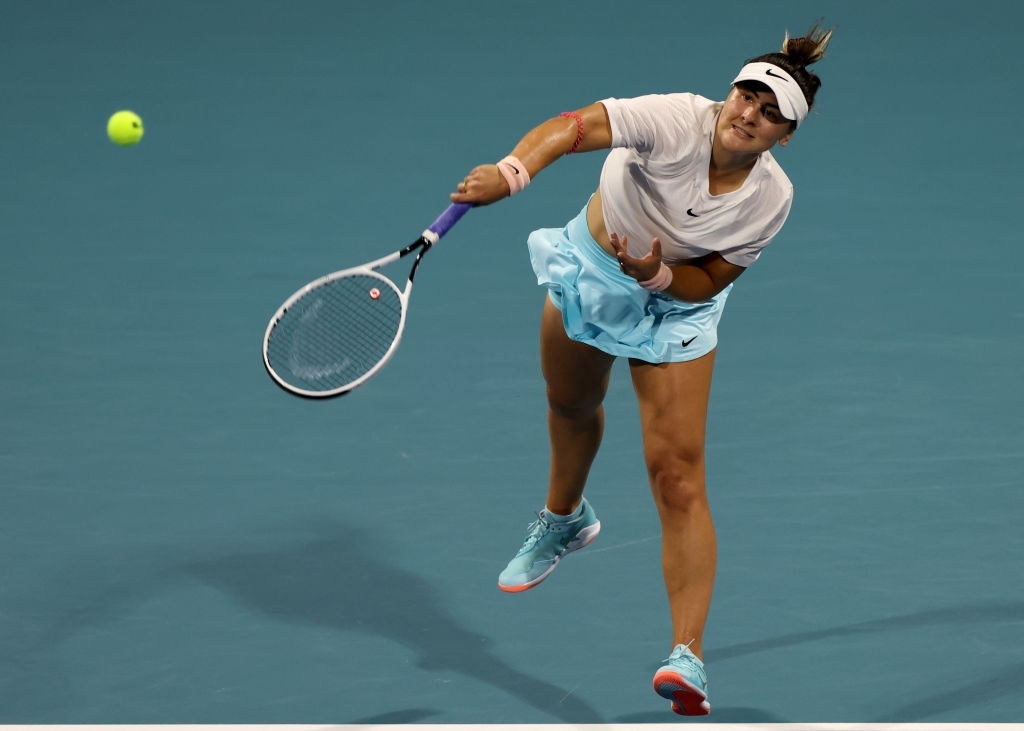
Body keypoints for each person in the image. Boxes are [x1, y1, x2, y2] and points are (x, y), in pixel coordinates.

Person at [450, 23, 833, 716]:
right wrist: (513, 173)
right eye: (748, 96)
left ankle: (686, 654)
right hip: (591, 270)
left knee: (679, 476)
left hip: (674, 309)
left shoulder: (772, 199)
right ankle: (565, 517)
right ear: (730, 92)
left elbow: (712, 277)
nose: (752, 115)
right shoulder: (675, 118)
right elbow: (576, 127)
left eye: (773, 114)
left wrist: (657, 273)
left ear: (787, 135)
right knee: (569, 403)